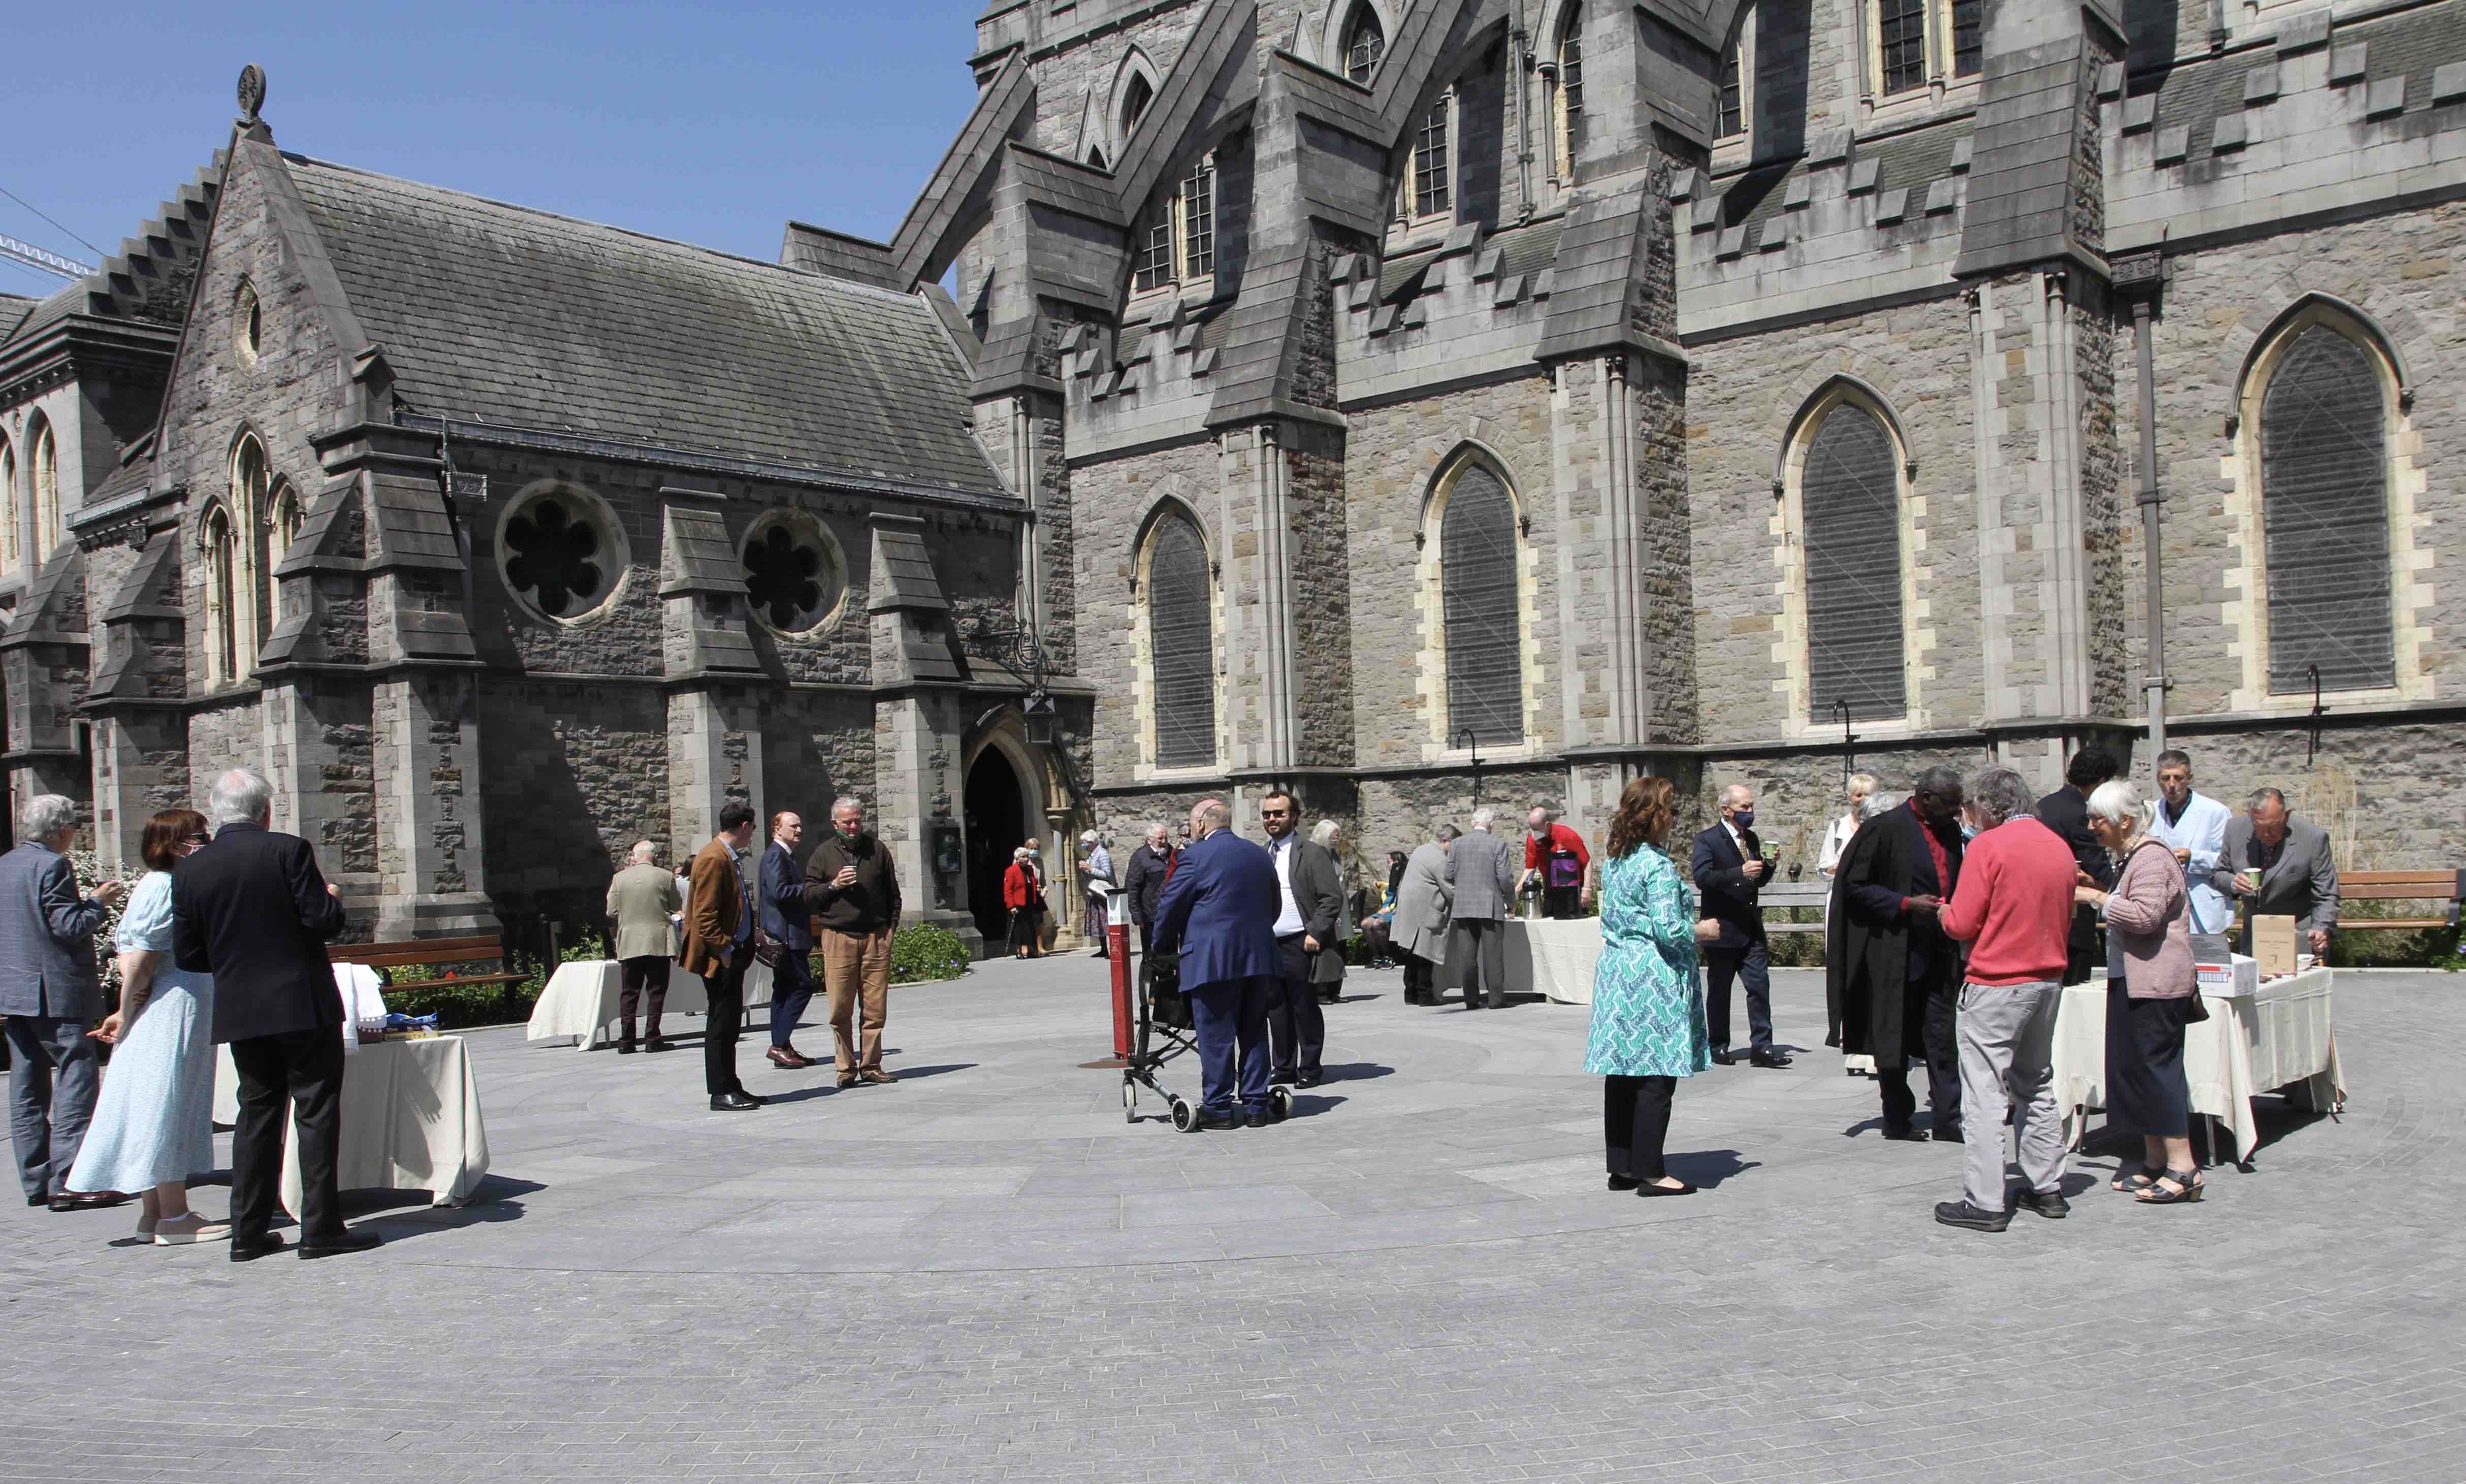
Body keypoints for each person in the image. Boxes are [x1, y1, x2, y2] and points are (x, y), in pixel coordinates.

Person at [172, 767, 375, 1261]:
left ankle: (248, 1232)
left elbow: (189, 955)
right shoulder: (288, 850)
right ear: (265, 811)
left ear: (217, 814)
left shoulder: (191, 871)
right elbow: (321, 922)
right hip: (301, 1002)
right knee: (315, 1111)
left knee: (256, 1116)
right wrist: (334, 902)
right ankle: (321, 1227)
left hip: (242, 1008)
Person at [62, 810, 224, 1244]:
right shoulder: (165, 886)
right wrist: (125, 1010)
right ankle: (173, 1215)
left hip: (173, 1003)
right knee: (167, 1102)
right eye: (199, 837)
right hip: (172, 1006)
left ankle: (155, 1213)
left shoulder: (165, 885)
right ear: (174, 844)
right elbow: (142, 958)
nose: (206, 843)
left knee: (161, 1100)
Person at [1932, 767, 2076, 1233]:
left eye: (1971, 807)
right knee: (2036, 1083)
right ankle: (2046, 1184)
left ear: (1987, 807)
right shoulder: (2056, 845)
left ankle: (1985, 1199)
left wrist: (1941, 910)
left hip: (1996, 982)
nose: (1969, 816)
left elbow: (1961, 923)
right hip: (2047, 978)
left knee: (1985, 1092)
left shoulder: (1987, 847)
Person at [1585, 777, 1721, 1197]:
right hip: (1654, 978)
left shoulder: (1616, 860)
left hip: (1618, 974)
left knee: (1624, 1071)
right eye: (1671, 810)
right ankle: (1651, 1172)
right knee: (1655, 1075)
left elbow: (1617, 917)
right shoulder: (1657, 866)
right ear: (1657, 816)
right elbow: (1667, 928)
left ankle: (1622, 1166)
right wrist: (1701, 929)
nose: (1674, 819)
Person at [2079, 778, 2206, 1205]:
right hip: (2131, 980)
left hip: (2157, 984)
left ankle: (2184, 1168)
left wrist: (2096, 898)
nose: (2092, 826)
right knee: (2135, 1070)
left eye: (2099, 819)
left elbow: (2145, 917)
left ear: (2126, 821)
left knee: (2158, 1071)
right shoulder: (2129, 857)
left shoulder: (2152, 858)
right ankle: (2155, 1162)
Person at [2, 794, 129, 1213]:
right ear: (59, 829)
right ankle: (69, 1177)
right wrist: (98, 902)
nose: (76, 833)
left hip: (15, 991)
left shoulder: (6, 863)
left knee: (27, 1086)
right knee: (76, 1078)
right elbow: (68, 926)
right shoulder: (53, 865)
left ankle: (36, 1180)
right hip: (55, 992)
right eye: (74, 826)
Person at [1828, 766, 1967, 1143]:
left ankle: (1948, 1117)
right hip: (1893, 949)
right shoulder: (1885, 828)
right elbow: (1854, 887)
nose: (1956, 812)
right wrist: (1904, 903)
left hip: (1939, 948)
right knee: (1894, 1036)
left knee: (1942, 1034)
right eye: (1949, 804)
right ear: (1925, 798)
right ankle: (1897, 1117)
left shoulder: (1950, 831)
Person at [1148, 797, 1283, 1128]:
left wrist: (1161, 950)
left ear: (1201, 824)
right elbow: (1274, 905)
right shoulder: (1258, 853)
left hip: (1212, 960)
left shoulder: (1194, 857)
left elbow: (1169, 906)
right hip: (1258, 957)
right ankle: (1255, 1104)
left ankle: (1220, 1107)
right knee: (1253, 1030)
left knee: (1216, 1034)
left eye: (1193, 824)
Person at [802, 795, 902, 1089]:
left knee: (874, 1009)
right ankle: (845, 1068)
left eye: (858, 820)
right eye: (848, 822)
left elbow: (893, 894)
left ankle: (871, 1065)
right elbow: (808, 896)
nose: (854, 826)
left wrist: (890, 929)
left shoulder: (878, 850)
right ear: (835, 823)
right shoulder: (823, 854)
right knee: (840, 1009)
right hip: (838, 938)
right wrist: (834, 886)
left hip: (875, 938)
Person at [1691, 784, 1789, 1069]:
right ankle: (1718, 1045)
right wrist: (1739, 872)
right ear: (1726, 810)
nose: (1750, 812)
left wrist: (1768, 865)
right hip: (1721, 927)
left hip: (1750, 928)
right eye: (1745, 807)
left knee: (1759, 987)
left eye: (1752, 806)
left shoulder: (1752, 839)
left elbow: (1757, 882)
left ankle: (1763, 1048)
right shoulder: (1707, 840)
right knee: (1720, 991)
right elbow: (1703, 878)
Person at [681, 800, 765, 1112]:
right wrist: (724, 950)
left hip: (734, 952)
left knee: (730, 1023)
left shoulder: (726, 856)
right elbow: (704, 914)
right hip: (722, 957)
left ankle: (731, 1084)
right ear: (744, 826)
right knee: (721, 1023)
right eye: (753, 828)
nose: (753, 834)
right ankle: (720, 1090)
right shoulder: (714, 858)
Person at [1258, 791, 1341, 1088]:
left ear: (1294, 817)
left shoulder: (1312, 853)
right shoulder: (1261, 853)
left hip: (1299, 943)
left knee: (1304, 1007)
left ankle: (1310, 1067)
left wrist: (1315, 932)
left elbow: (1332, 898)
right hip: (1269, 944)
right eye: (1267, 814)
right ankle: (1283, 1067)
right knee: (1275, 1009)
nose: (1272, 819)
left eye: (1278, 814)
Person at [2213, 788, 2339, 958]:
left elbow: (2326, 893)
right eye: (2259, 827)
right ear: (2251, 817)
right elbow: (2218, 874)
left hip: (2298, 936)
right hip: (2254, 937)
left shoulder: (2313, 838)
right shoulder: (2235, 830)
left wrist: (2321, 927)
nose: (2266, 834)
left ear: (2286, 816)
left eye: (2273, 827)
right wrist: (2233, 883)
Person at [2037, 747, 2121, 985]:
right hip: (2071, 922)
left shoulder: (2046, 804)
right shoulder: (2080, 813)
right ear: (2102, 782)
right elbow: (2096, 864)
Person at [1816, 772, 1878, 1052]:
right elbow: (1823, 868)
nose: (1861, 800)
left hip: (1869, 902)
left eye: (1867, 795)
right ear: (1850, 797)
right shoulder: (1838, 827)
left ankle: (1869, 1025)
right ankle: (1839, 1026)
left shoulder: (1879, 827)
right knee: (1840, 964)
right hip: (1841, 901)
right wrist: (1838, 868)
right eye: (1857, 795)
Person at [605, 840, 681, 1054]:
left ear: (635, 856)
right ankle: (652, 1038)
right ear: (654, 856)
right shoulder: (665, 876)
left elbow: (611, 912)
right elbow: (676, 906)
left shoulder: (619, 878)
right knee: (656, 992)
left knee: (629, 993)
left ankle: (626, 1040)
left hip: (630, 941)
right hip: (658, 941)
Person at [2148, 751, 2232, 937]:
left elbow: (2227, 861)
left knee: (2207, 965)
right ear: (2157, 779)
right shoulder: (2150, 812)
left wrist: (2194, 857)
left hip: (2203, 907)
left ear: (2189, 779)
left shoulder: (2215, 812)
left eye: (2178, 778)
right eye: (2165, 778)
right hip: (2164, 907)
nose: (2171, 785)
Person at [760, 812, 818, 1070]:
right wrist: (810, 889)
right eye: (793, 826)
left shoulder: (785, 855)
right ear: (777, 829)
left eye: (800, 825)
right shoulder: (776, 855)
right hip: (786, 936)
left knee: (783, 990)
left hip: (788, 935)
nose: (799, 830)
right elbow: (781, 892)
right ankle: (779, 1044)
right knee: (803, 986)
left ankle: (782, 1045)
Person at [1443, 809, 1517, 1010]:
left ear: (1472, 824)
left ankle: (1471, 999)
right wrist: (1511, 901)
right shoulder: (1497, 845)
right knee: (1493, 956)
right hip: (1490, 906)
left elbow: (1448, 874)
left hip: (1463, 906)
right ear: (1491, 825)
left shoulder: (1456, 844)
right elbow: (1504, 879)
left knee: (1467, 956)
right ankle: (1496, 1000)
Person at [1392, 827, 1456, 1005]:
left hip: (1410, 908)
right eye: (1454, 844)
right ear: (1445, 840)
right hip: (1425, 910)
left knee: (1412, 952)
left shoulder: (1421, 850)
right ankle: (1425, 995)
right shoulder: (1439, 858)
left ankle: (1410, 993)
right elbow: (1450, 890)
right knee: (1426, 952)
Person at [1520, 805, 1592, 919]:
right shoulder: (1532, 840)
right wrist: (1517, 890)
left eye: (1537, 829)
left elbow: (1587, 862)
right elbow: (1530, 868)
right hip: (1550, 889)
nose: (1534, 833)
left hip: (1572, 890)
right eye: (1532, 829)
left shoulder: (1567, 836)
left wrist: (1587, 889)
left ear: (1547, 825)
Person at [1308, 820, 1351, 1007]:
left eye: (1337, 835)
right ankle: (1321, 991)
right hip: (1326, 910)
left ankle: (1335, 990)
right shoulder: (1316, 854)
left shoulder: (1335, 856)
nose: (1336, 839)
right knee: (1326, 952)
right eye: (1333, 835)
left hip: (1341, 911)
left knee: (1341, 950)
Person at [1124, 823, 1173, 954]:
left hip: (1171, 914)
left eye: (1166, 838)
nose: (1164, 842)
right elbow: (1132, 887)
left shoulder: (1172, 854)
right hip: (1150, 917)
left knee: (1171, 956)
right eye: (1160, 839)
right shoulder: (1140, 857)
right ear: (1149, 840)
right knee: (1152, 957)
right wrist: (1137, 917)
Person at [1003, 846, 1045, 958]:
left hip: (1029, 902)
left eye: (1027, 857)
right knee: (1019, 928)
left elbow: (1032, 882)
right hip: (1017, 904)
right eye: (1023, 857)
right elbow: (1008, 890)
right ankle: (1019, 950)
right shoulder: (1011, 871)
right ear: (1017, 859)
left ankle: (1032, 950)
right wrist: (1011, 906)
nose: (1026, 859)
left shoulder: (1030, 869)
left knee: (1030, 928)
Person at [1080, 830, 1115, 958]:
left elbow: (1107, 874)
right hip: (1094, 892)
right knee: (1099, 922)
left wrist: (1090, 868)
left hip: (1103, 893)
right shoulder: (1092, 855)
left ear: (1092, 843)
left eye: (1084, 843)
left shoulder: (1103, 854)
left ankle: (1113, 949)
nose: (1082, 845)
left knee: (1107, 922)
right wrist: (1085, 871)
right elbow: (1090, 874)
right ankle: (1104, 949)